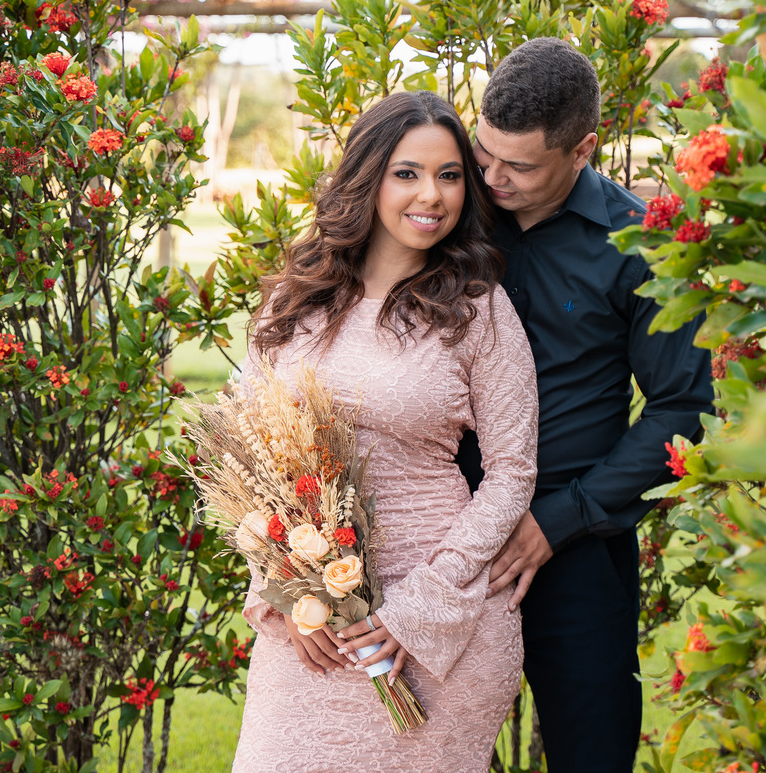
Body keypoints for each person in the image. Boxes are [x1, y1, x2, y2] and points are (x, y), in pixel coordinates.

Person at [231, 90, 539, 773]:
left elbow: (513, 470)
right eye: (408, 173)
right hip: (312, 616)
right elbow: (249, 463)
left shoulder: (479, 310)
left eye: (450, 175)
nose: (432, 195)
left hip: (439, 620)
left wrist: (414, 611)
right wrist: (284, 591)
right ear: (367, 177)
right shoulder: (292, 301)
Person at [457, 37, 715, 772]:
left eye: (520, 165)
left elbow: (681, 406)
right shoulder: (453, 217)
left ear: (583, 149)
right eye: (485, 154)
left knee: (592, 751)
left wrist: (554, 522)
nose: (493, 179)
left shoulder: (640, 244)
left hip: (573, 547)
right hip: (439, 531)